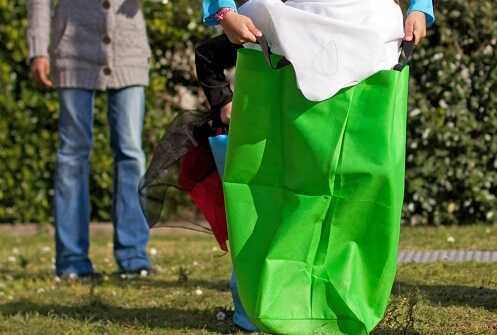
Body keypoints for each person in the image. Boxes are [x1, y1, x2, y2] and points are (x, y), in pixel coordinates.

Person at [200, 0, 435, 333]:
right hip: (289, 40)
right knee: (281, 177)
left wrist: (419, 8)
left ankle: (343, 305)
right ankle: (282, 304)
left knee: (365, 182)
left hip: (373, 44)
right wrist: (224, 12)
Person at [27, 0, 152, 279]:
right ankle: (72, 260)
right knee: (72, 155)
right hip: (71, 48)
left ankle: (133, 255)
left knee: (131, 153)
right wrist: (38, 49)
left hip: (128, 48)